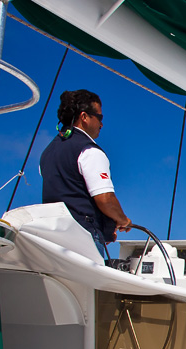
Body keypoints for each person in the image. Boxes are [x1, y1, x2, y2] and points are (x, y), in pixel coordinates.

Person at [40, 89, 131, 256]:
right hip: (82, 239)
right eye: (100, 117)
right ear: (84, 117)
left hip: (51, 239)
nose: (102, 124)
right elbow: (105, 199)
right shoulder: (89, 151)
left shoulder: (47, 153)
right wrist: (122, 220)